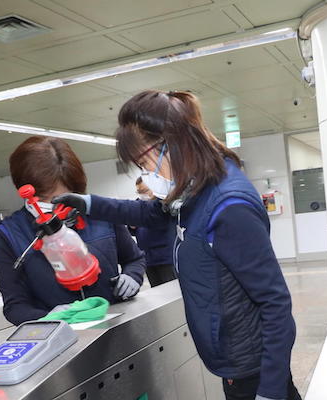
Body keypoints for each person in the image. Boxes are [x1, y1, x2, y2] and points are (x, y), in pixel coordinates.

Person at [53, 90, 300, 400]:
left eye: (145, 161)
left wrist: (271, 391)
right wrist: (89, 204)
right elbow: (148, 212)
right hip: (234, 359)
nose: (146, 174)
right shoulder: (193, 191)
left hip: (253, 367)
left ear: (174, 142)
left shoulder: (228, 206)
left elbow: (275, 304)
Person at [0, 136, 146, 326]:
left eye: (65, 197)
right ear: (27, 192)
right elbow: (14, 305)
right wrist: (47, 319)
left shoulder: (99, 213)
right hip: (60, 338)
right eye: (47, 199)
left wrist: (132, 276)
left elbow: (134, 258)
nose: (57, 206)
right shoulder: (9, 234)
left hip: (115, 325)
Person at [129, 177, 177, 287]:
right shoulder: (138, 205)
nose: (142, 195)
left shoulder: (162, 204)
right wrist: (132, 227)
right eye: (139, 192)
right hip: (148, 260)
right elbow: (132, 230)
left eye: (144, 191)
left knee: (171, 291)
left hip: (165, 258)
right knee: (157, 292)